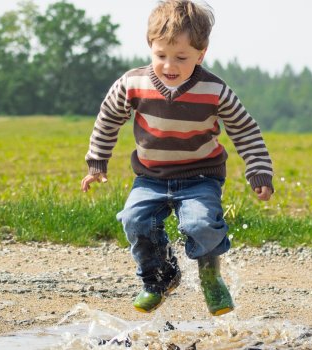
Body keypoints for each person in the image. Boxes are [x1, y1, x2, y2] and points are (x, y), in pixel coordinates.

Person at [81, 0, 274, 316]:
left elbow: (246, 130)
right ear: (150, 46)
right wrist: (97, 162)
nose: (169, 66)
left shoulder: (215, 90)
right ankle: (160, 278)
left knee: (200, 224)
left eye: (181, 58)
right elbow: (107, 118)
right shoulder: (133, 84)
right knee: (134, 220)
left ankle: (211, 276)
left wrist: (259, 172)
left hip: (200, 176)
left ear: (201, 54)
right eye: (160, 56)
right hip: (150, 177)